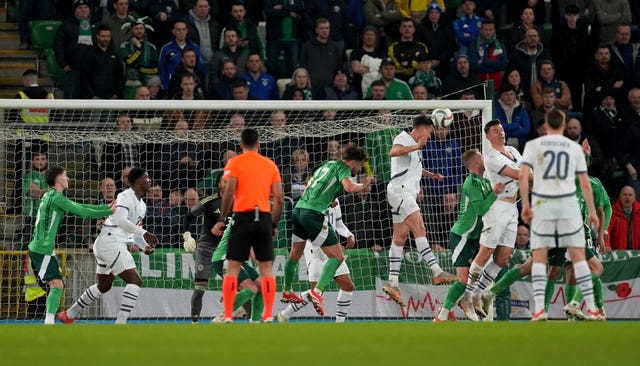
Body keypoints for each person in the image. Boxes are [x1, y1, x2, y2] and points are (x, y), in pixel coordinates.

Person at [519, 109, 604, 321]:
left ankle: (539, 310)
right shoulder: (572, 149)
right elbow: (584, 182)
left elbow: (522, 176)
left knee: (539, 258)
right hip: (568, 208)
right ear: (564, 126)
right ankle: (587, 306)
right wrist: (592, 211)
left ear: (545, 126)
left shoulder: (533, 146)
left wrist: (526, 206)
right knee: (579, 258)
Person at [58, 168, 159, 324]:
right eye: (146, 177)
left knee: (104, 285)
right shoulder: (125, 196)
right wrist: (145, 232)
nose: (149, 180)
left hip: (109, 243)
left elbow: (134, 232)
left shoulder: (143, 206)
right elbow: (119, 220)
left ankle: (69, 314)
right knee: (135, 281)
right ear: (138, 181)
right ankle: (120, 324)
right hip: (111, 242)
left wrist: (144, 245)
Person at [280, 144, 373, 314]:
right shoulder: (343, 168)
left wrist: (328, 198)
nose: (359, 169)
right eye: (359, 165)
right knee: (337, 256)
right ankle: (317, 292)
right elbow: (349, 187)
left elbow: (309, 186)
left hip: (298, 209)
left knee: (294, 253)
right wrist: (363, 184)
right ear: (353, 162)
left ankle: (287, 290)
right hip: (313, 214)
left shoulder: (326, 165)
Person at [211, 128, 284, 323]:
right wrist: (274, 224)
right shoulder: (270, 165)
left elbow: (228, 190)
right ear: (259, 144)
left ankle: (227, 315)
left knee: (233, 268)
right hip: (264, 217)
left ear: (241, 145)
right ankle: (268, 315)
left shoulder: (234, 162)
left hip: (242, 216)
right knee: (266, 270)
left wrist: (222, 217)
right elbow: (279, 199)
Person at [382, 115, 456, 307]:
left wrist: (432, 175)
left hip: (404, 193)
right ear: (422, 128)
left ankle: (392, 282)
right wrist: (416, 146)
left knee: (400, 238)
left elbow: (415, 167)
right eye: (430, 132)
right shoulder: (404, 138)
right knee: (420, 228)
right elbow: (393, 152)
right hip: (402, 191)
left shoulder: (415, 148)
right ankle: (437, 271)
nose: (430, 136)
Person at [27, 166, 116, 324]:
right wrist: (108, 210)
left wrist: (106, 208)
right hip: (42, 248)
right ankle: (49, 324)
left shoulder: (50, 195)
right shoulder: (56, 198)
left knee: (58, 284)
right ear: (58, 179)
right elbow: (82, 210)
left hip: (42, 247)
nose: (68, 179)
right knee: (56, 285)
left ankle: (50, 321)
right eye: (65, 175)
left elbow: (81, 206)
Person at [458, 120, 523, 320]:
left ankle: (479, 293)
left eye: (502, 129)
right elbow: (517, 173)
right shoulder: (492, 157)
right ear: (488, 136)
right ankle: (467, 296)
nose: (501, 133)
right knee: (486, 252)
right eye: (496, 131)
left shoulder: (512, 150)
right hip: (498, 207)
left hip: (513, 207)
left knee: (503, 258)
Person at [434, 149, 504, 322]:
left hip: (476, 237)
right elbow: (481, 209)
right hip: (462, 235)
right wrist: (495, 193)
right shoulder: (471, 182)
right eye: (481, 156)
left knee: (475, 275)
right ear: (475, 162)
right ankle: (442, 316)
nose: (484, 157)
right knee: (465, 278)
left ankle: (461, 304)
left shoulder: (486, 181)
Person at [277, 198, 356, 323]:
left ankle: (340, 323)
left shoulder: (335, 199)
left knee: (347, 285)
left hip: (331, 245)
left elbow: (338, 223)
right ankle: (287, 312)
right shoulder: (310, 198)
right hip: (314, 248)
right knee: (317, 291)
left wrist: (349, 234)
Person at [182, 174, 225, 322]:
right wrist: (187, 235)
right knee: (200, 287)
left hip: (227, 250)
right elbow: (188, 216)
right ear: (219, 184)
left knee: (242, 284)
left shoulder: (239, 201)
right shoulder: (209, 201)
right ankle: (195, 323)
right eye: (225, 180)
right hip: (207, 249)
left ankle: (251, 321)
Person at [19, 151, 49, 247]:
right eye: (37, 159)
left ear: (47, 161)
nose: (40, 162)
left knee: (45, 240)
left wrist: (39, 191)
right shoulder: (28, 176)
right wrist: (47, 191)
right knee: (28, 239)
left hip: (47, 212)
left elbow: (55, 192)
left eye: (43, 159)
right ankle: (22, 260)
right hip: (31, 213)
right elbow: (31, 193)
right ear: (32, 161)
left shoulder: (50, 176)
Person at [608, 185, 640, 250]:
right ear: (620, 196)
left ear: (634, 197)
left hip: (637, 252)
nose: (627, 197)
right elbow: (607, 230)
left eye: (630, 195)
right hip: (618, 253)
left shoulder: (639, 211)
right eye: (624, 194)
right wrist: (606, 245)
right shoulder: (612, 211)